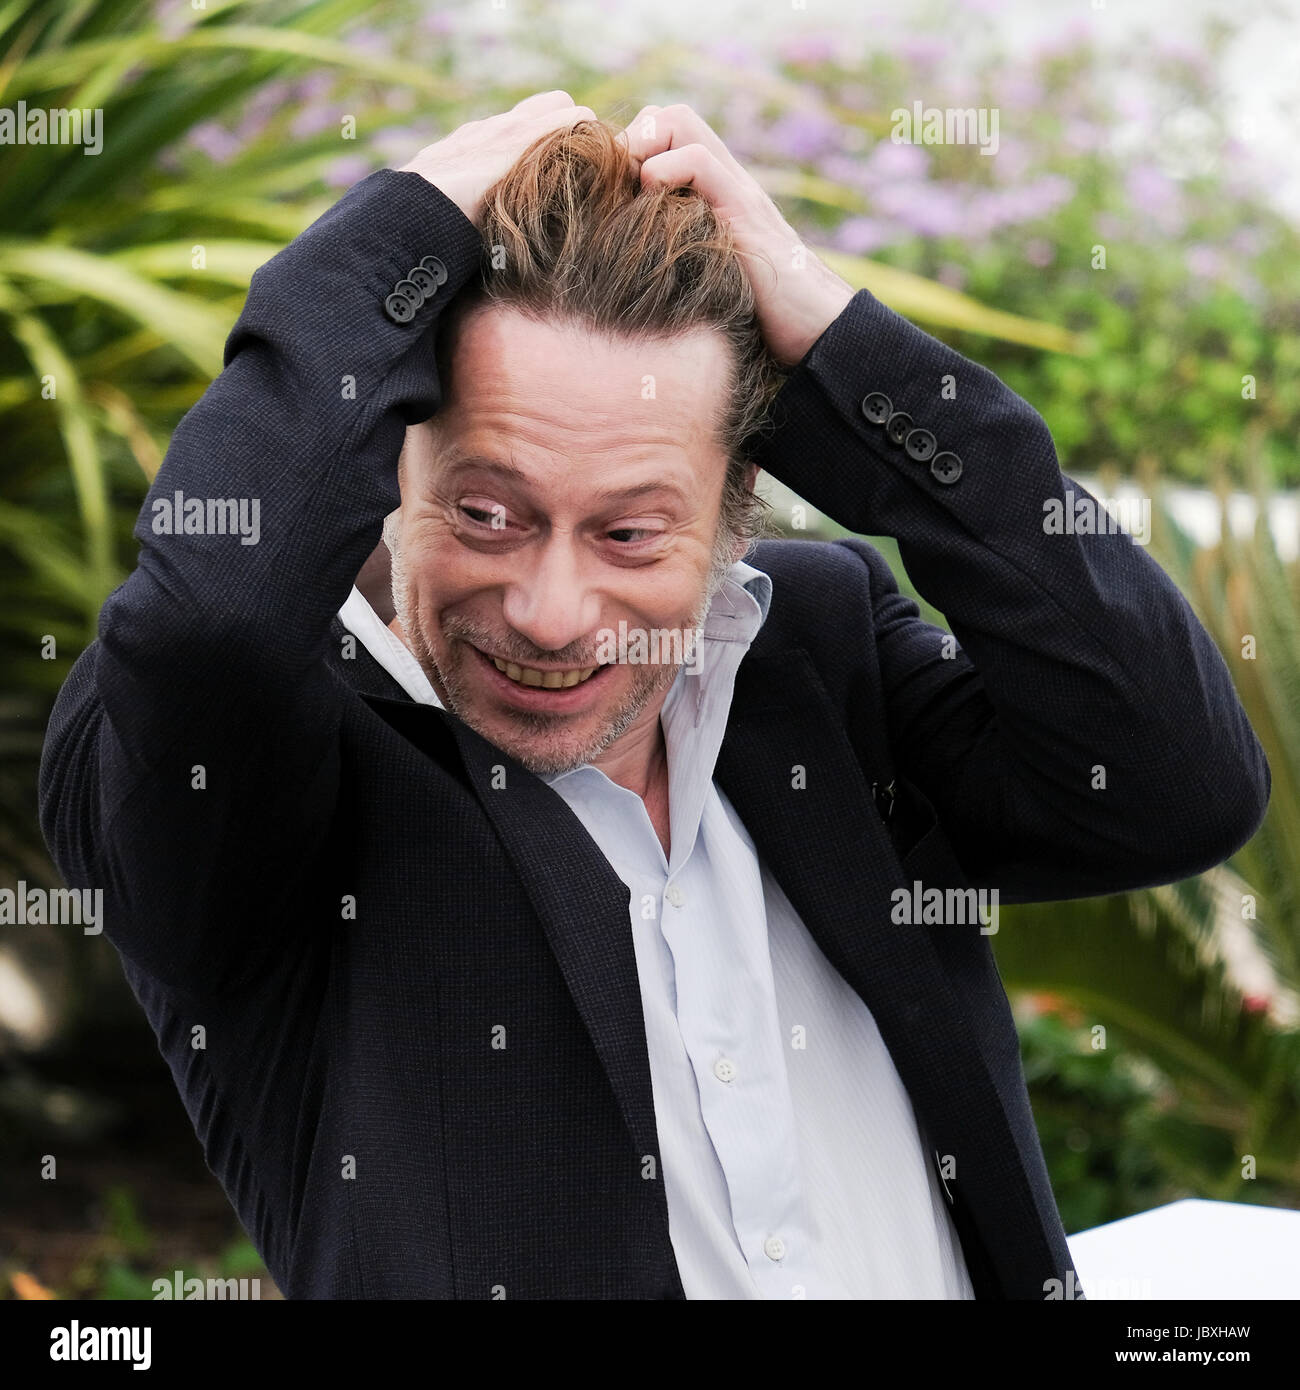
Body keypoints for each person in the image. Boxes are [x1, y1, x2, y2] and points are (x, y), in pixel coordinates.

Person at [38, 91, 1269, 1299]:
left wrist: (843, 353)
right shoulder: (249, 772)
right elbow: (207, 624)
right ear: (391, 463)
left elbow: (1178, 784)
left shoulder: (821, 653)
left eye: (630, 532)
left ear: (737, 514)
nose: (551, 609)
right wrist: (389, 243)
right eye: (485, 513)